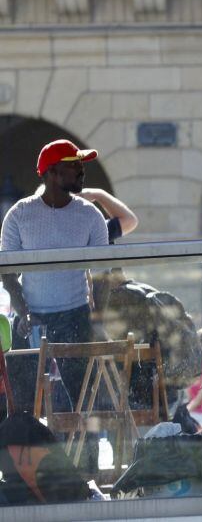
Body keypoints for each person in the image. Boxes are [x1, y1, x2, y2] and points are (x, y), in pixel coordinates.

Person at [1, 139, 110, 412]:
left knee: (84, 404)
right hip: (29, 316)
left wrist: (97, 322)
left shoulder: (91, 216)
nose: (82, 172)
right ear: (51, 172)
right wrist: (23, 312)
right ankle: (24, 451)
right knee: (22, 405)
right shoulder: (19, 215)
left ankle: (87, 453)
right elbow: (8, 275)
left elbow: (102, 277)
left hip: (75, 315)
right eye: (74, 166)